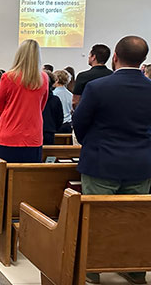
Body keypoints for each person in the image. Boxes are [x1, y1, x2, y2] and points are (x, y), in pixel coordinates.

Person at [73, 36, 151, 285]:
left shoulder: (98, 88)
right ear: (143, 60)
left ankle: (92, 270)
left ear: (115, 57)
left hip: (101, 161)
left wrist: (92, 144)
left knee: (95, 219)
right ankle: (135, 269)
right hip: (141, 164)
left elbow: (80, 122)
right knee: (135, 220)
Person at [0, 40, 48, 179]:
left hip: (9, 134)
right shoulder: (44, 78)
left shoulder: (8, 77)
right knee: (28, 181)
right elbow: (41, 106)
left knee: (1, 180)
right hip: (33, 135)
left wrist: (11, 115)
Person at [72, 44, 112, 109]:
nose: (88, 57)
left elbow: (75, 102)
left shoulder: (83, 76)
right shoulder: (112, 75)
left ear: (94, 57)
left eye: (90, 55)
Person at [42, 71, 63, 145]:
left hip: (35, 130)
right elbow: (60, 118)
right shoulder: (55, 99)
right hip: (50, 130)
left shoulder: (34, 98)